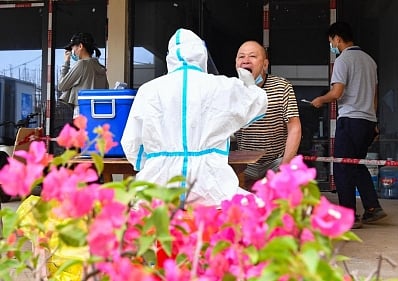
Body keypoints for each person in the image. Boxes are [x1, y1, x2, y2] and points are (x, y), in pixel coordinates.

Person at [121, 28, 268, 207]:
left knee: (147, 223)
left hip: (159, 183)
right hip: (211, 184)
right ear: (202, 54)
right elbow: (257, 104)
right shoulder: (221, 86)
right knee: (254, 212)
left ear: (170, 57)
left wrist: (151, 163)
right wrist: (250, 86)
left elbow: (132, 143)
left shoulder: (148, 90)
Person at [310, 22, 386, 228]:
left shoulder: (343, 60)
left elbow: (337, 93)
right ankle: (372, 207)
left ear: (337, 38)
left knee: (343, 167)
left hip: (351, 120)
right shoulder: (370, 61)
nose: (332, 46)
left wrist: (320, 100)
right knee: (356, 164)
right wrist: (374, 121)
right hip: (368, 121)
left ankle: (348, 216)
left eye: (331, 42)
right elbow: (375, 95)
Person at [234, 41, 302, 188]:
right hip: (244, 163)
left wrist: (284, 167)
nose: (245, 60)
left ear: (265, 64)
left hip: (275, 161)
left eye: (252, 56)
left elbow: (294, 128)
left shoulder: (282, 86)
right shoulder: (231, 89)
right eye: (241, 57)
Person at [58, 32, 109, 119]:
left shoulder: (82, 64)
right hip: (99, 112)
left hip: (82, 111)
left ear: (80, 46)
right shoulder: (100, 67)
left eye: (73, 48)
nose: (72, 52)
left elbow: (61, 85)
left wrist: (66, 62)